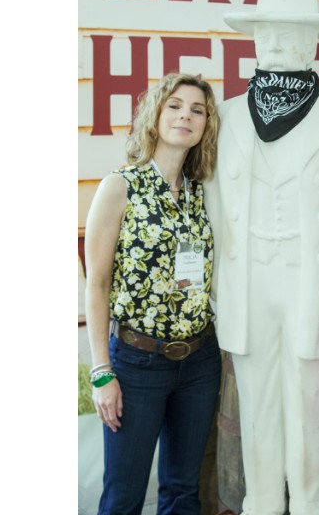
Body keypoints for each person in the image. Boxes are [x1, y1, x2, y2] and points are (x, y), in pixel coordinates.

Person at [203, 0, 319, 515]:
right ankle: (262, 503)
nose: (276, 44)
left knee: (311, 406)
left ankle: (312, 504)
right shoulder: (225, 115)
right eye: (267, 34)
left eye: (289, 34)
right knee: (257, 408)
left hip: (311, 279)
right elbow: (212, 202)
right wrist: (215, 282)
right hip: (247, 279)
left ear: (312, 43)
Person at [84, 72, 221, 515]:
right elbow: (97, 284)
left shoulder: (204, 192)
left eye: (197, 110)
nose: (185, 116)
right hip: (137, 363)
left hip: (199, 362)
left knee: (183, 491)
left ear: (206, 124)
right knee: (123, 497)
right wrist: (101, 373)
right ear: (155, 115)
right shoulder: (121, 186)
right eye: (174, 106)